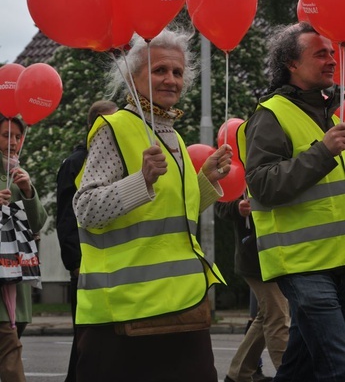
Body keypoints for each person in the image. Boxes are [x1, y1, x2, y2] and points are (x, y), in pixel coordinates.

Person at [73, 28, 233, 382]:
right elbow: (85, 210)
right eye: (160, 70)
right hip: (124, 314)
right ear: (133, 77)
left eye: (177, 72)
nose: (171, 80)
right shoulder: (112, 128)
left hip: (183, 307)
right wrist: (140, 180)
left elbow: (172, 216)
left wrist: (205, 180)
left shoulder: (172, 134)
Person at [237, 21, 345, 382]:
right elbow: (263, 184)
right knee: (337, 365)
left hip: (335, 261)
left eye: (332, 52)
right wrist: (324, 152)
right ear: (292, 64)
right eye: (320, 53)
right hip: (302, 264)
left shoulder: (325, 113)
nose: (332, 60)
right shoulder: (270, 115)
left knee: (300, 366)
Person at [56, 99, 118, 382]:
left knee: (96, 339)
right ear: (94, 126)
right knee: (85, 338)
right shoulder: (77, 163)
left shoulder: (105, 159)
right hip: (84, 264)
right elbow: (68, 217)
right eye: (109, 123)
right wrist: (75, 262)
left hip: (106, 262)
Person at [215, 198, 289, 382]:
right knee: (277, 315)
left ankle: (237, 375)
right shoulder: (234, 168)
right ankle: (289, 373)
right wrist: (237, 208)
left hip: (278, 254)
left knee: (267, 315)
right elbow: (219, 204)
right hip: (256, 258)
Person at [0, 114, 47, 382]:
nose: (14, 142)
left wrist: (28, 192)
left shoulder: (18, 175)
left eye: (17, 137)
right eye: (7, 135)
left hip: (18, 282)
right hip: (2, 288)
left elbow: (38, 222)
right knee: (10, 356)